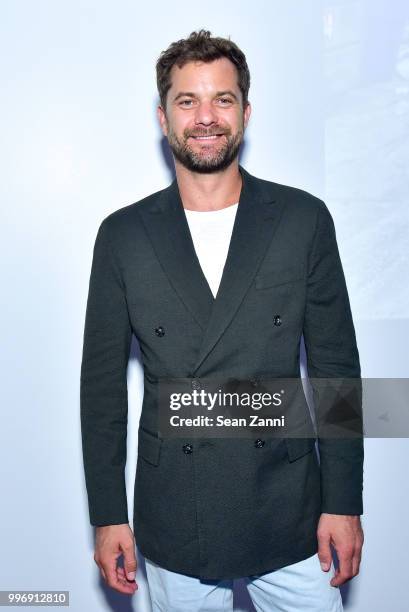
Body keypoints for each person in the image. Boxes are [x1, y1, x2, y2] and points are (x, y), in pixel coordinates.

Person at [80, 29, 364, 611]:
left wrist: (345, 500)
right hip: (176, 518)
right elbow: (102, 390)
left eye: (223, 100)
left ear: (246, 112)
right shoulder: (123, 236)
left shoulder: (303, 219)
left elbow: (339, 371)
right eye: (188, 101)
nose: (205, 117)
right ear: (163, 117)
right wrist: (108, 516)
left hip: (290, 510)